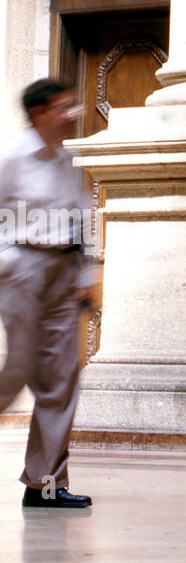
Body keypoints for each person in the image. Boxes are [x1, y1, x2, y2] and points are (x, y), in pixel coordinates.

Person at [0, 79, 95, 510]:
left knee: (61, 378)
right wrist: (10, 262)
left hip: (64, 271)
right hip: (23, 269)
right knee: (17, 372)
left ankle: (45, 485)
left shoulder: (68, 159)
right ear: (39, 113)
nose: (72, 114)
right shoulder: (13, 158)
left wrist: (86, 274)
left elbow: (84, 214)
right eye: (63, 107)